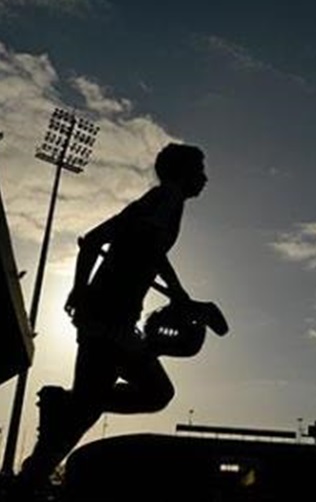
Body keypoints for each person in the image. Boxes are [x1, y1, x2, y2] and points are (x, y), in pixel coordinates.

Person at [16, 142, 211, 496]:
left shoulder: (145, 204)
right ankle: (59, 418)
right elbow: (150, 249)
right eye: (200, 170)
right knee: (156, 393)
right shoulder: (168, 199)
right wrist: (180, 295)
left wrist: (79, 289)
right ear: (183, 173)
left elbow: (91, 241)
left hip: (104, 315)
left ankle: (31, 476)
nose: (205, 179)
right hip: (111, 318)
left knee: (86, 411)